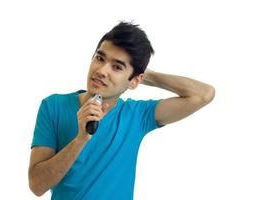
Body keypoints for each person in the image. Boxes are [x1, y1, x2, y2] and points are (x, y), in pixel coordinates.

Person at [28, 21, 215, 200]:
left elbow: (203, 94)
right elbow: (37, 185)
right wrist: (80, 139)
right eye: (100, 58)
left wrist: (145, 74)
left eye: (117, 67)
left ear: (135, 81)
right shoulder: (53, 106)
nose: (101, 70)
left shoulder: (138, 115)